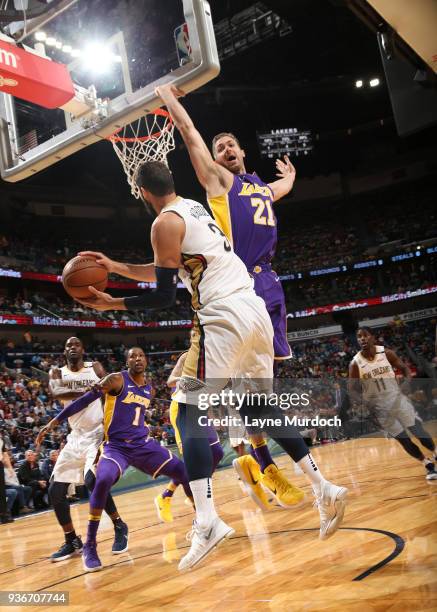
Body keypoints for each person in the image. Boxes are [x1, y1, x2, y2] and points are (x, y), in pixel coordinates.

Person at [78, 161, 348, 571]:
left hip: (221, 316)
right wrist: (115, 268)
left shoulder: (163, 224)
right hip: (254, 312)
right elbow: (170, 268)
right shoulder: (192, 209)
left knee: (187, 408)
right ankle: (323, 486)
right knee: (259, 409)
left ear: (141, 191)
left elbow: (165, 296)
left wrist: (111, 303)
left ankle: (207, 521)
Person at [153, 84, 307, 508]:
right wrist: (171, 103)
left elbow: (278, 193)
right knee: (243, 391)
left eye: (231, 145)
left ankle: (255, 457)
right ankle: (263, 464)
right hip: (234, 286)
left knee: (260, 389)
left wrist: (289, 177)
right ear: (217, 159)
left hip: (269, 285)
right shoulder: (219, 183)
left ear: (242, 152)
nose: (225, 150)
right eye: (220, 147)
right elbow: (192, 138)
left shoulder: (256, 186)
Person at [38, 346, 193, 572]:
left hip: (141, 445)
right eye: (132, 356)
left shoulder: (148, 389)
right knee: (99, 481)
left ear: (146, 361)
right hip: (115, 447)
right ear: (126, 361)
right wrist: (55, 421)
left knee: (183, 471)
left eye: (140, 355)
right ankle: (90, 545)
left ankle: (203, 523)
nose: (137, 359)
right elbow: (82, 400)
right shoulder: (115, 379)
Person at [44, 337, 127, 562]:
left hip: (98, 433)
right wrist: (88, 390)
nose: (72, 347)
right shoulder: (56, 372)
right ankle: (72, 540)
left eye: (76, 345)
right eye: (68, 345)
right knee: (55, 491)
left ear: (83, 349)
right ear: (64, 351)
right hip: (75, 437)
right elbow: (58, 394)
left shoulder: (95, 368)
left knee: (93, 481)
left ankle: (119, 525)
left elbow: (111, 390)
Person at [349, 327, 437, 481]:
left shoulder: (386, 353)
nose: (362, 339)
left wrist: (407, 382)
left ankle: (435, 451)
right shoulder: (355, 363)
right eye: (359, 337)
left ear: (372, 338)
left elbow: (404, 369)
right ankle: (427, 464)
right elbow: (351, 389)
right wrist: (365, 402)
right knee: (403, 439)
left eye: (365, 335)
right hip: (380, 409)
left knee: (417, 430)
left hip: (398, 400)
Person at [154, 350, 224, 522]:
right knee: (191, 459)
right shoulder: (187, 357)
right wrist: (183, 380)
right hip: (181, 409)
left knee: (217, 452)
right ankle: (198, 509)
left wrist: (212, 414)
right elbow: (170, 381)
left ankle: (170, 493)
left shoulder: (218, 359)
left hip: (199, 409)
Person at [0, 431, 14, 523]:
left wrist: (10, 468)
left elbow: (4, 454)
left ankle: (4, 515)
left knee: (1, 491)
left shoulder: (1, 439)